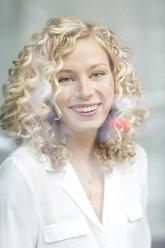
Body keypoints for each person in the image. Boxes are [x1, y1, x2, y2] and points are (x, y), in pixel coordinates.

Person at [0, 17, 151, 248]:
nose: (85, 91)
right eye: (66, 78)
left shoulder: (135, 160)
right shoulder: (23, 171)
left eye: (97, 74)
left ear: (115, 78)